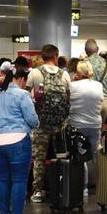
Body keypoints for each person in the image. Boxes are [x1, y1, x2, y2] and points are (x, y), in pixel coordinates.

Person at [0, 69, 38, 214]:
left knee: (2, 178)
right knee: (19, 179)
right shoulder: (23, 95)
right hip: (17, 140)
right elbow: (32, 119)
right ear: (21, 79)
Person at [26, 45, 72, 202]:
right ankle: (61, 189)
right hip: (60, 125)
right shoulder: (64, 74)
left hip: (41, 124)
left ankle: (38, 191)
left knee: (39, 158)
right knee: (60, 156)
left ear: (42, 57)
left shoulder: (35, 72)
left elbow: (25, 96)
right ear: (56, 56)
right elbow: (68, 98)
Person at [70, 60, 105, 188]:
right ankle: (96, 183)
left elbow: (68, 101)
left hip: (77, 125)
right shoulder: (98, 85)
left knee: (79, 154)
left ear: (78, 72)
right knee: (95, 154)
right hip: (95, 124)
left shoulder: (72, 86)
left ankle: (82, 184)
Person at [84, 39, 107, 123]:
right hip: (105, 101)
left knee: (89, 127)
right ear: (97, 49)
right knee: (100, 127)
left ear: (85, 50)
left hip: (90, 100)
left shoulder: (84, 63)